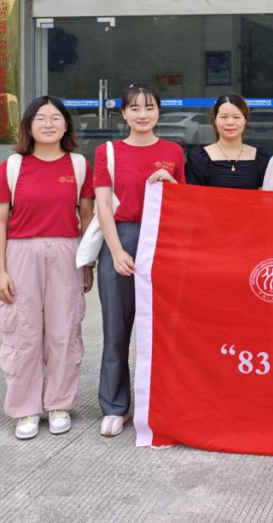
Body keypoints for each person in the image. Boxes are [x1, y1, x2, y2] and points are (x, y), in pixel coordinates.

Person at [0, 96, 95, 440]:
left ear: (66, 126)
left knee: (64, 331)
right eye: (41, 118)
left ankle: (59, 403)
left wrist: (87, 262)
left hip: (67, 253)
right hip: (21, 254)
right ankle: (26, 408)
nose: (48, 124)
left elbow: (87, 217)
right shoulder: (13, 166)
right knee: (23, 332)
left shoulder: (79, 165)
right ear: (29, 126)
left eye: (55, 118)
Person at [93, 83, 184, 438]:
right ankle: (115, 406)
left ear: (159, 112)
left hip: (162, 239)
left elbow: (183, 202)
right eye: (135, 108)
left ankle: (160, 403)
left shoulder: (173, 151)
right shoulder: (108, 152)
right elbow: (103, 204)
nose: (143, 114)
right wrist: (116, 250)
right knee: (116, 328)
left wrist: (171, 182)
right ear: (123, 114)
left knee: (162, 328)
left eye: (149, 107)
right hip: (122, 236)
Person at [186, 94, 271, 189]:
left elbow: (267, 195)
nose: (230, 123)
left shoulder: (261, 158)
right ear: (215, 120)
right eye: (223, 117)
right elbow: (193, 195)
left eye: (236, 117)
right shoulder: (198, 159)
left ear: (245, 120)